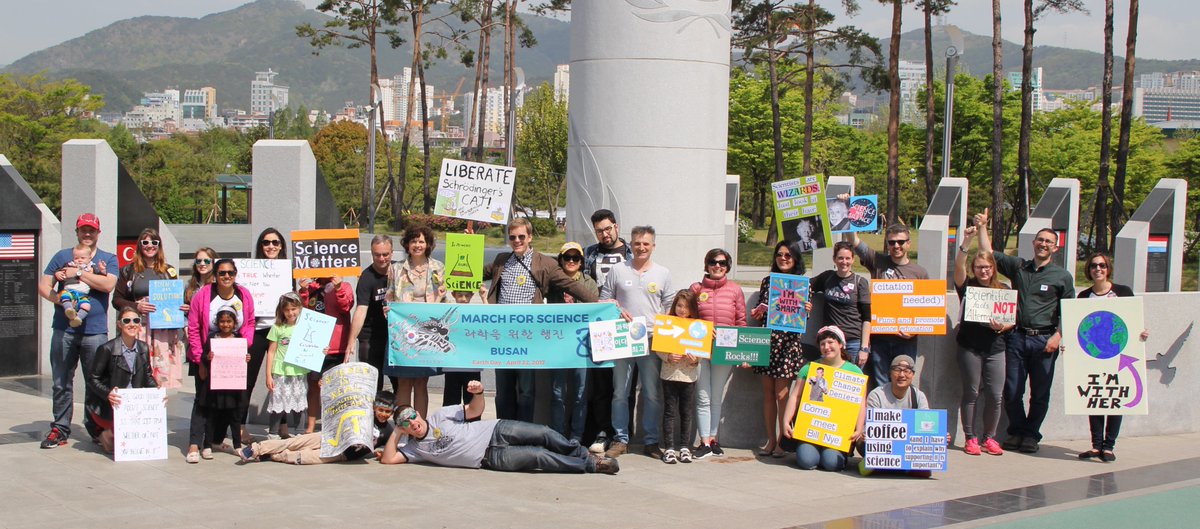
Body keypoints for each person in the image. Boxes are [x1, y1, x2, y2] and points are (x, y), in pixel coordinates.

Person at [975, 208, 1075, 454]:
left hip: (1045, 340)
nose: (1043, 244)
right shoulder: (1020, 267)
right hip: (1017, 338)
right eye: (1040, 240)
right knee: (1012, 390)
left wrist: (1058, 336)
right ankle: (1017, 431)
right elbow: (988, 254)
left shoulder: (1062, 276)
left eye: (1048, 242)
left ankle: (1031, 435)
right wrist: (982, 228)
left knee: (1040, 393)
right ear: (1033, 243)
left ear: (1056, 247)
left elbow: (1071, 311)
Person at [483, 217, 598, 422]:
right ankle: (502, 433)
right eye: (512, 237)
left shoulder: (544, 262)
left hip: (528, 337)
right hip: (502, 336)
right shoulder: (501, 260)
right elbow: (472, 271)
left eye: (521, 236)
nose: (517, 240)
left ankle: (523, 435)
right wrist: (467, 246)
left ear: (530, 237)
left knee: (527, 390)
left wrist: (602, 303)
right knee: (503, 391)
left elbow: (570, 285)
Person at [378, 380, 620, 475]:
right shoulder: (414, 450)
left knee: (543, 433)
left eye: (412, 416)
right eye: (405, 424)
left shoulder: (441, 415)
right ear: (404, 430)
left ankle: (578, 451)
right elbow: (388, 460)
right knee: (539, 456)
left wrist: (480, 393)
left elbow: (474, 411)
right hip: (490, 457)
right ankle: (592, 464)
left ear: (418, 412)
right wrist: (397, 432)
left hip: (495, 429)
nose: (413, 423)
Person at [37, 213, 119, 449]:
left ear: (98, 233)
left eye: (91, 230)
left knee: (95, 382)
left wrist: (80, 273)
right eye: (83, 229)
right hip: (64, 330)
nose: (87, 233)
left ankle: (95, 427)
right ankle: (60, 428)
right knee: (62, 381)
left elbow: (108, 285)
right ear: (77, 231)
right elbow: (44, 285)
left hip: (95, 332)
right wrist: (61, 301)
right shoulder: (62, 256)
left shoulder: (108, 259)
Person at [599, 225, 670, 459]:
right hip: (623, 339)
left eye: (646, 244)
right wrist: (617, 310)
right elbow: (605, 299)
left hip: (651, 340)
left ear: (653, 246)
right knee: (620, 392)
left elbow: (669, 305)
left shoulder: (663, 273)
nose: (641, 247)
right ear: (631, 244)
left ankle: (650, 441)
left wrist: (664, 326)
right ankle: (621, 439)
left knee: (652, 393)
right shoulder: (618, 270)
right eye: (637, 243)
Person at [1075, 252, 1148, 463]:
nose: (1098, 269)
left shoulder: (1123, 292)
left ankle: (1109, 446)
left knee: (1115, 398)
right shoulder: (1083, 297)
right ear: (1089, 270)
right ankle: (1096, 445)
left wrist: (1141, 333)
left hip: (1118, 354)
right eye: (1094, 266)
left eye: (1102, 265)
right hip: (1094, 356)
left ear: (1108, 269)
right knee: (1096, 398)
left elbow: (1133, 321)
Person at [187, 259, 255, 462]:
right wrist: (201, 360)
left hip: (233, 357)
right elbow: (193, 328)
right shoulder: (203, 295)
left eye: (230, 273)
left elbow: (250, 322)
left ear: (235, 274)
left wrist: (245, 345)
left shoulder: (244, 295)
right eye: (222, 273)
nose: (226, 277)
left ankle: (215, 440)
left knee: (229, 402)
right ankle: (194, 444)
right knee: (203, 401)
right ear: (215, 275)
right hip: (206, 356)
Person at [847, 220, 929, 385]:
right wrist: (849, 212)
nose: (896, 246)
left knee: (903, 383)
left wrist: (914, 330)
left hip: (907, 341)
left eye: (901, 242)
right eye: (892, 242)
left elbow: (926, 309)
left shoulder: (920, 273)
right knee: (881, 384)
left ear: (909, 244)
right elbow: (853, 240)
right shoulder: (877, 261)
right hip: (880, 339)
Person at [953, 225, 1011, 457]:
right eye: (979, 267)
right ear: (974, 269)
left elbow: (1012, 319)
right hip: (970, 348)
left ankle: (989, 438)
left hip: (996, 349)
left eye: (987, 267)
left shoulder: (1004, 289)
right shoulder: (967, 286)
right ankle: (970, 438)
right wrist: (966, 242)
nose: (983, 271)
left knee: (996, 395)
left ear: (993, 268)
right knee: (971, 393)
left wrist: (1004, 326)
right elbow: (958, 267)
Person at [750, 240, 808, 458]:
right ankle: (770, 440)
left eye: (788, 255)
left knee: (782, 394)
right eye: (779, 254)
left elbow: (803, 319)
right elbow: (762, 312)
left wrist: (806, 309)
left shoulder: (802, 284)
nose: (783, 259)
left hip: (788, 345)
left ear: (795, 259)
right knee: (767, 393)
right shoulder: (768, 282)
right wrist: (758, 312)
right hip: (767, 342)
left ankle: (783, 441)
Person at [581, 209, 632, 452]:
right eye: (600, 231)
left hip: (625, 325)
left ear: (616, 227)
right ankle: (603, 432)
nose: (605, 234)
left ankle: (623, 436)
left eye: (608, 228)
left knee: (624, 385)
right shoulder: (589, 253)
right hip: (598, 326)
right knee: (601, 383)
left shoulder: (632, 252)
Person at [782, 325, 866, 471]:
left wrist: (859, 429)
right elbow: (795, 395)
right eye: (822, 344)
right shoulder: (809, 368)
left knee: (831, 463)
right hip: (811, 429)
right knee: (807, 461)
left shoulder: (855, 371)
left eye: (830, 342)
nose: (826, 347)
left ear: (840, 344)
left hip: (836, 433)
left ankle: (835, 455)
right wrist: (785, 421)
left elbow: (860, 403)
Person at [240, 391, 397, 465]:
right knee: (295, 442)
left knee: (304, 457)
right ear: (374, 407)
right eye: (380, 410)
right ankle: (256, 449)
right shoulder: (361, 414)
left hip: (342, 454)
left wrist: (379, 452)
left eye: (387, 411)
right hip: (329, 436)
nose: (383, 414)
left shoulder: (388, 431)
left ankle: (272, 455)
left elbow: (390, 450)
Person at [385, 224, 446, 416]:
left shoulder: (438, 267)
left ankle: (420, 427)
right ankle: (403, 429)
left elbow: (444, 297)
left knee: (421, 382)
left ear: (427, 244)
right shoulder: (395, 268)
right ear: (407, 244)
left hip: (427, 334)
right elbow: (389, 295)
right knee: (403, 382)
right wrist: (387, 309)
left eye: (421, 241)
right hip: (402, 332)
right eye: (413, 241)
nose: (417, 245)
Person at [690, 248, 745, 459]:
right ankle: (703, 440)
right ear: (707, 265)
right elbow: (685, 316)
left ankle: (713, 439)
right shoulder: (696, 288)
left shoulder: (735, 290)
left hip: (725, 349)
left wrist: (742, 353)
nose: (717, 266)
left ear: (728, 266)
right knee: (703, 396)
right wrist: (699, 325)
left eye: (722, 263)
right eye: (713, 262)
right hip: (700, 349)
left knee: (716, 397)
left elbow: (741, 321)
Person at [112, 228, 184, 389]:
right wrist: (136, 306)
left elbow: (176, 298)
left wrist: (182, 306)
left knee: (161, 377)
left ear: (159, 245)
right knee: (136, 371)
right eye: (145, 242)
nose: (149, 245)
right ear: (139, 246)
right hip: (139, 328)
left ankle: (156, 410)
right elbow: (116, 300)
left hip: (163, 332)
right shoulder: (128, 271)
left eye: (154, 242)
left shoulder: (168, 271)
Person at [85, 307, 157, 454]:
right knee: (116, 445)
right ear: (119, 324)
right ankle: (104, 432)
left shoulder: (143, 348)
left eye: (136, 320)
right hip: (109, 405)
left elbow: (148, 375)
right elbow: (93, 379)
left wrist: (158, 393)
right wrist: (108, 394)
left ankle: (112, 433)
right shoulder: (107, 349)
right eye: (127, 321)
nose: (132, 324)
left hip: (133, 403)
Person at [546, 242, 598, 443]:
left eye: (575, 258)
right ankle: (557, 435)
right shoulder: (553, 283)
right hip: (559, 345)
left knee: (580, 394)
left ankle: (576, 436)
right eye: (567, 257)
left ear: (581, 261)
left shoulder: (589, 283)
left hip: (582, 345)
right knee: (557, 393)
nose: (571, 261)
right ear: (560, 260)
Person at [243, 227, 288, 443]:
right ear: (260, 246)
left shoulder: (288, 271)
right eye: (266, 242)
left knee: (285, 377)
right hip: (258, 330)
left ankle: (283, 425)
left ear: (282, 246)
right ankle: (241, 426)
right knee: (248, 379)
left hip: (282, 331)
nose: (271, 246)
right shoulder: (250, 271)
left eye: (275, 242)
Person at [859, 355, 933, 478]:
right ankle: (902, 468)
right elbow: (869, 425)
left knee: (925, 468)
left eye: (907, 370)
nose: (902, 375)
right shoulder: (877, 394)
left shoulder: (919, 396)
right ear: (890, 373)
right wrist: (866, 434)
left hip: (906, 446)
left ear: (913, 374)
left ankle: (885, 467)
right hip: (881, 445)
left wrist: (939, 437)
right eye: (897, 370)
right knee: (864, 443)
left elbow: (925, 428)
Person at [298, 274, 354, 433]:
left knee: (336, 387)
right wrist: (303, 291)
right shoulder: (310, 286)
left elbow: (346, 307)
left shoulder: (345, 285)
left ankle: (334, 425)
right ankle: (310, 427)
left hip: (336, 345)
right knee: (313, 386)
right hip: (314, 345)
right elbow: (301, 310)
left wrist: (338, 289)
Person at [346, 235, 395, 394]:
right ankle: (373, 417)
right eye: (377, 254)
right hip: (371, 335)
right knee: (372, 381)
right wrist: (351, 340)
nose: (381, 258)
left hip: (395, 334)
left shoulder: (400, 272)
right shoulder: (366, 277)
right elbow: (361, 309)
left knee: (400, 381)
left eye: (385, 254)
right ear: (372, 254)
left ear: (392, 253)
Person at [183, 247, 218, 462]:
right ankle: (194, 442)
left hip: (220, 348)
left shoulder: (221, 286)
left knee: (215, 397)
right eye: (198, 261)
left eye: (206, 260)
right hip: (198, 347)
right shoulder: (191, 288)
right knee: (201, 395)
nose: (202, 264)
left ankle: (209, 442)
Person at [658, 290, 701, 464]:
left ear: (693, 309)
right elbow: (659, 347)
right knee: (669, 412)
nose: (682, 310)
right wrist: (667, 356)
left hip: (688, 376)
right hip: (669, 374)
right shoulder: (667, 324)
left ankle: (684, 447)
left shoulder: (697, 326)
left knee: (686, 412)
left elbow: (701, 351)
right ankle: (669, 448)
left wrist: (695, 360)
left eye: (687, 307)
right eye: (679, 305)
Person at [204, 306, 251, 454]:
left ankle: (237, 445)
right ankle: (207, 445)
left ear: (235, 322)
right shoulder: (212, 338)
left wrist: (247, 358)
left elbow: (243, 360)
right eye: (222, 321)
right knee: (213, 415)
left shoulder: (239, 339)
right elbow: (204, 357)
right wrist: (208, 357)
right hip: (216, 385)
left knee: (235, 415)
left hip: (234, 385)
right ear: (217, 322)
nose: (226, 324)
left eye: (229, 321)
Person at [265, 292, 308, 439]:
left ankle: (299, 434)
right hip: (280, 371)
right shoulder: (277, 327)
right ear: (282, 311)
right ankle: (273, 433)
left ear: (300, 308)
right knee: (278, 402)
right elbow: (271, 352)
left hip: (298, 371)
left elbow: (313, 347)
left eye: (294, 309)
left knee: (299, 402)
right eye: (287, 310)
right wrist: (268, 375)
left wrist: (322, 350)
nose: (291, 313)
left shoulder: (305, 327)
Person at [442, 290, 483, 406]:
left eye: (467, 295)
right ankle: (448, 424)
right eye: (460, 295)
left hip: (472, 366)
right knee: (450, 402)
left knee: (471, 401)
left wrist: (484, 297)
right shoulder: (447, 313)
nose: (464, 299)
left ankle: (473, 424)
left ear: (472, 296)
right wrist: (440, 296)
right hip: (452, 365)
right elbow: (430, 313)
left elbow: (489, 317)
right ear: (453, 295)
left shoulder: (476, 313)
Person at [58, 246, 95, 328]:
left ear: (89, 258)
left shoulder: (91, 268)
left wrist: (103, 270)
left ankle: (77, 318)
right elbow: (61, 270)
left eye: (83, 258)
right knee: (64, 296)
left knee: (86, 306)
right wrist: (58, 273)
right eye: (76, 258)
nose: (79, 260)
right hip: (69, 290)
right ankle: (69, 309)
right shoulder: (70, 265)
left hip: (83, 295)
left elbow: (101, 277)